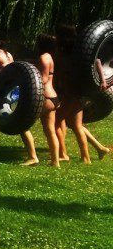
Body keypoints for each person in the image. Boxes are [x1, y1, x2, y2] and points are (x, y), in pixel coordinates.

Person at [55, 25, 110, 163]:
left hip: (73, 92)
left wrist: (103, 80)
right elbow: (96, 60)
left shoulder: (70, 50)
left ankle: (63, 154)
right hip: (80, 92)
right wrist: (103, 80)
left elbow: (95, 61)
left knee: (57, 120)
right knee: (76, 125)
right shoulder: (80, 47)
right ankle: (91, 154)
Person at [0, 38, 38, 165]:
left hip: (7, 91)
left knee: (21, 123)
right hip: (16, 87)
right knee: (21, 123)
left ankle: (33, 156)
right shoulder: (9, 54)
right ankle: (33, 155)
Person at [32, 34, 62, 166]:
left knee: (24, 123)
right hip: (53, 97)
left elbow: (43, 80)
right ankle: (55, 162)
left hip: (46, 97)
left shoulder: (43, 57)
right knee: (50, 131)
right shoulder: (50, 57)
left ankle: (32, 156)